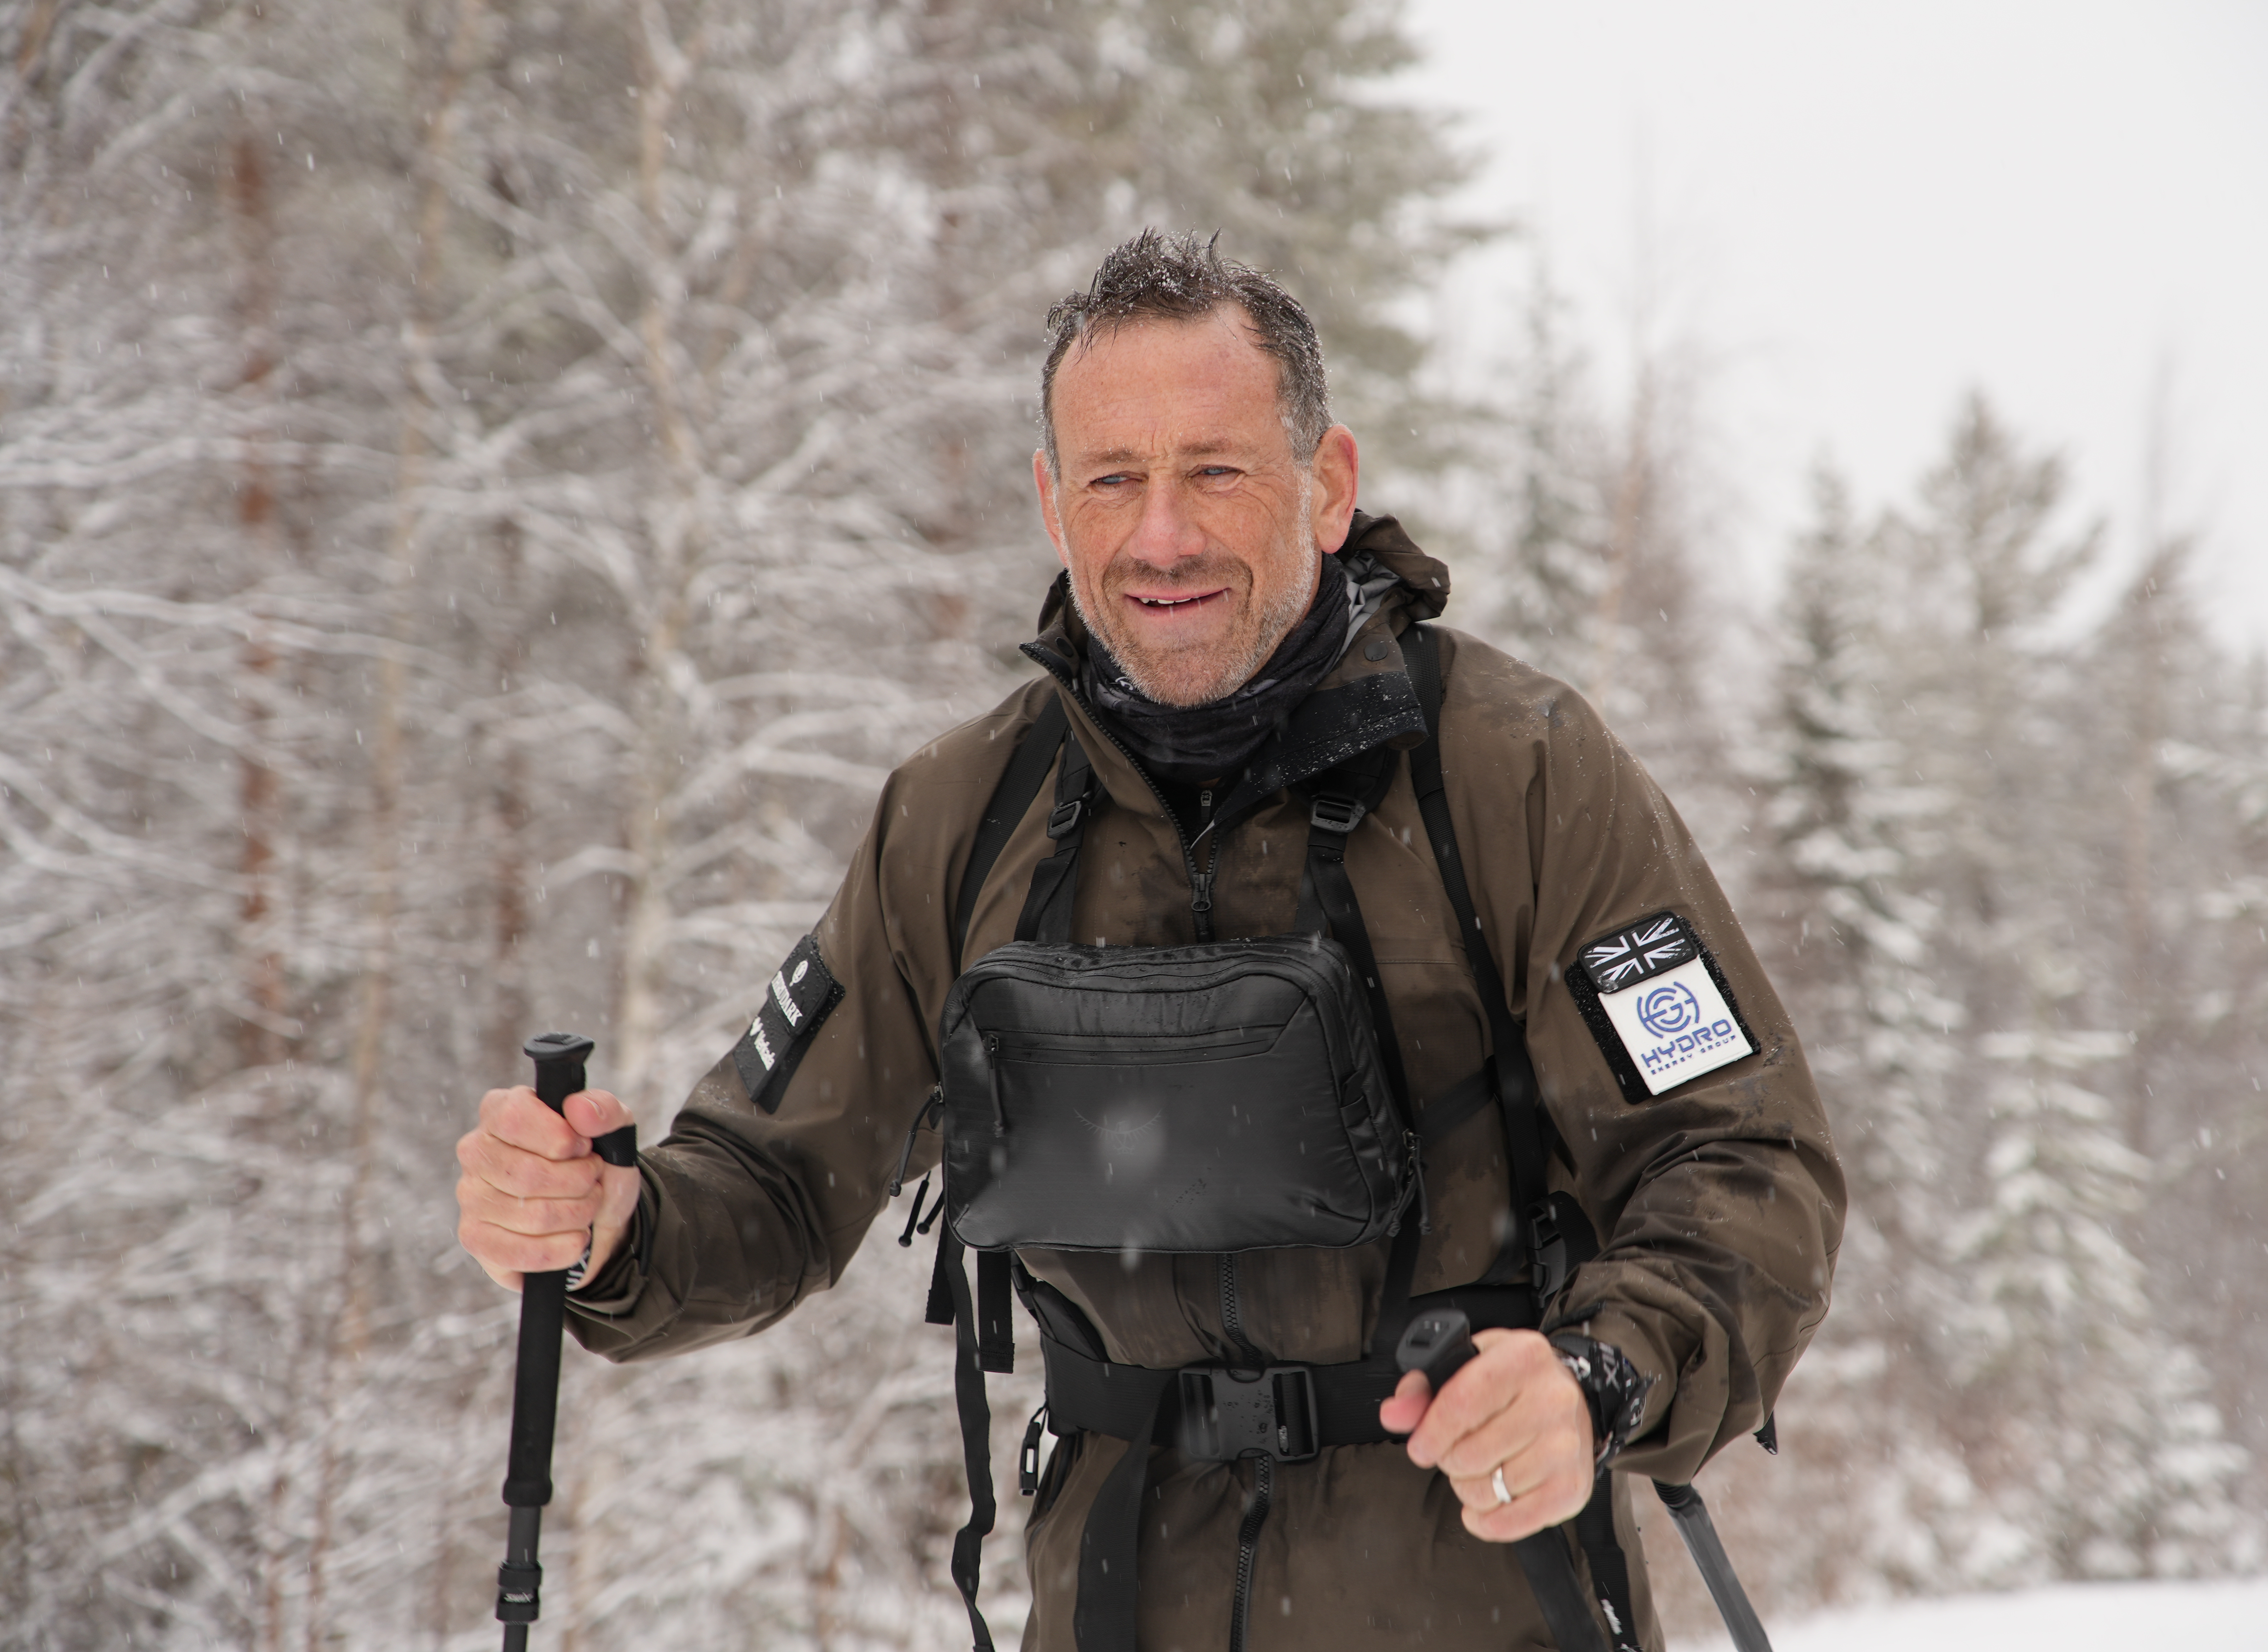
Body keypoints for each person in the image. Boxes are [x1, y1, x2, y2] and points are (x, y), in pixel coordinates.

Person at [455, 230, 1842, 1652]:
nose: (1161, 535)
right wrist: (613, 1228)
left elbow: (1743, 1162)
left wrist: (1599, 1376)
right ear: (1053, 506)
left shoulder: (1518, 773)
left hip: (1483, 1596)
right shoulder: (963, 814)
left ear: (1327, 484)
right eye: (1114, 479)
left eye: (1215, 470)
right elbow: (767, 1174)